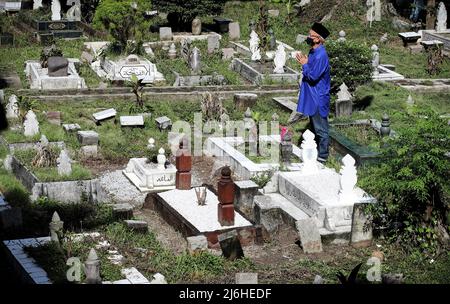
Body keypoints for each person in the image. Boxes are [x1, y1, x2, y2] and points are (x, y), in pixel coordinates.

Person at [289, 22, 331, 163]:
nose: (308, 37)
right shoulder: (313, 51)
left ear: (318, 39)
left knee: (321, 129)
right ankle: (313, 151)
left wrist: (305, 64)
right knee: (314, 126)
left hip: (318, 97)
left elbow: (313, 76)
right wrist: (306, 62)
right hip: (312, 95)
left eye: (311, 35)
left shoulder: (321, 55)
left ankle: (323, 157)